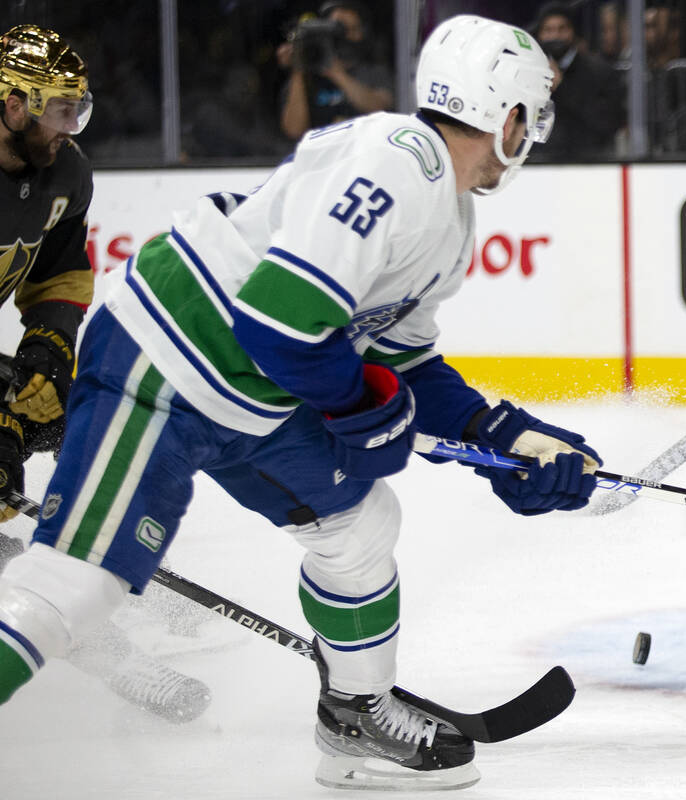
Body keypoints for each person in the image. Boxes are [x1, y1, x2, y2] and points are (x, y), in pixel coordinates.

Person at [0, 14, 600, 792]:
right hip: (170, 364)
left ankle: (354, 716)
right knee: (80, 583)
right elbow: (281, 320)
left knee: (360, 527)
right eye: (533, 112)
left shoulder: (448, 216)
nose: (536, 130)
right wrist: (364, 413)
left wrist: (504, 435)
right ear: (506, 112)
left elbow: (397, 355)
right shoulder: (396, 162)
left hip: (251, 395)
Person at [0, 23, 212, 722]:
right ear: (11, 103)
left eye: (75, 110)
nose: (70, 126)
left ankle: (118, 574)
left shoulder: (65, 173)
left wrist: (47, 354)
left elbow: (59, 274)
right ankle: (118, 661)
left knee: (96, 422)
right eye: (60, 109)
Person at [278, 0, 394, 141]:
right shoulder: (306, 77)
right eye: (337, 30)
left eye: (349, 30)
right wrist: (298, 68)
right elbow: (294, 130)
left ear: (362, 33)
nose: (343, 37)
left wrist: (337, 74)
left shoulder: (374, 72)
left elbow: (380, 108)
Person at [528, 2, 624, 160]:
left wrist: (562, 87)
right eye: (548, 30)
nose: (555, 36)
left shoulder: (599, 71)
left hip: (587, 162)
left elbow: (608, 122)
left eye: (562, 29)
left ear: (573, 32)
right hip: (539, 163)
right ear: (540, 34)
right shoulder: (530, 72)